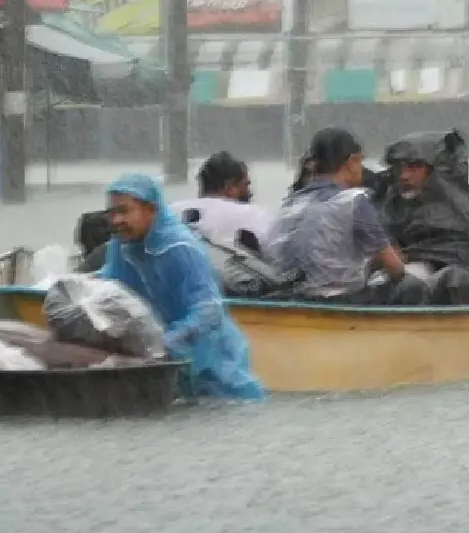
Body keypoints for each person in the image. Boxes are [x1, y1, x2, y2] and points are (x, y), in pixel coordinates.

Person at [96, 174, 265, 401]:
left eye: (124, 211)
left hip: (211, 365)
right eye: (112, 213)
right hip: (161, 367)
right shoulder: (121, 248)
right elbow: (109, 291)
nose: (116, 220)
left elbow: (209, 310)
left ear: (151, 210)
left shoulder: (181, 248)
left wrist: (167, 343)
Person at [268, 128, 425, 305]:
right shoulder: (353, 200)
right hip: (338, 299)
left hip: (290, 298)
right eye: (360, 163)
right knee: (412, 284)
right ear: (352, 162)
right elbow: (395, 268)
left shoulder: (291, 202)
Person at [377, 130, 469, 305]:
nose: (404, 175)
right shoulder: (389, 202)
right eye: (400, 167)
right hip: (399, 275)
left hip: (444, 280)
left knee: (456, 279)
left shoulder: (462, 209)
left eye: (414, 166)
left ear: (435, 169)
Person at [173, 151, 278, 253]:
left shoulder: (171, 212)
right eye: (246, 185)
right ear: (229, 186)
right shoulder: (256, 216)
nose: (250, 193)